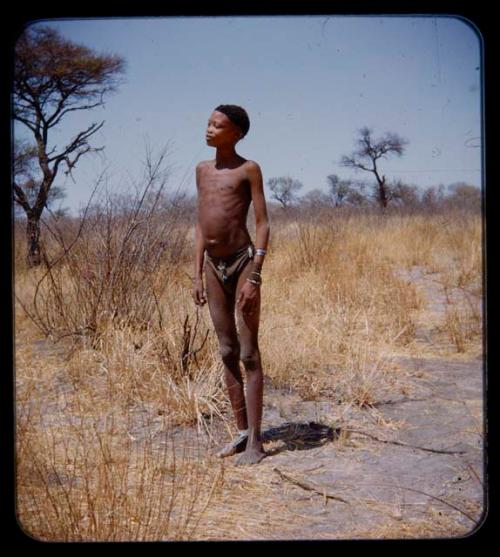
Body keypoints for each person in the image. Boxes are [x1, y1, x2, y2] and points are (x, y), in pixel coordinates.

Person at [192, 104, 270, 465]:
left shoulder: (248, 169)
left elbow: (263, 223)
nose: (209, 129)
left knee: (248, 353)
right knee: (226, 350)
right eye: (208, 123)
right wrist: (196, 273)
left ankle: (256, 441)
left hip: (241, 263)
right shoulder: (202, 171)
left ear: (236, 132)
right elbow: (201, 225)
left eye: (217, 125)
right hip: (211, 265)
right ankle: (241, 433)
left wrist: (254, 274)